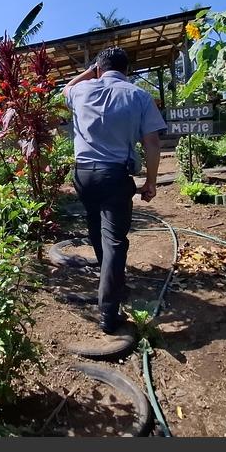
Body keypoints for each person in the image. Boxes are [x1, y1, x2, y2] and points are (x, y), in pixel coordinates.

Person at [62, 47, 167, 334]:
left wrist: (90, 71)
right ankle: (109, 312)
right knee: (115, 242)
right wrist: (151, 182)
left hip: (83, 176)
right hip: (114, 176)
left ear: (98, 68)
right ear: (127, 70)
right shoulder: (139, 96)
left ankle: (109, 278)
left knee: (96, 228)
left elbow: (65, 89)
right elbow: (152, 144)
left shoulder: (81, 91)